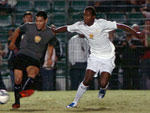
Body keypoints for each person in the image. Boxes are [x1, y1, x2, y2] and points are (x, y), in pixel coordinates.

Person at [51, 6, 141, 108]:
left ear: (94, 17)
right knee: (87, 80)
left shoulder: (102, 24)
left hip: (108, 57)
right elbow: (66, 28)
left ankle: (103, 88)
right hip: (94, 56)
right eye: (84, 15)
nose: (85, 17)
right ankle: (75, 102)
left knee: (102, 83)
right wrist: (56, 31)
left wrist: (135, 33)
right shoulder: (80, 26)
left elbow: (120, 26)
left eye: (88, 15)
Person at [9, 11, 56, 109]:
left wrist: (49, 58)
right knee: (17, 79)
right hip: (22, 55)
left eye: (41, 21)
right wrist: (12, 42)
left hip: (35, 58)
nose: (38, 23)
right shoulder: (28, 26)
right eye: (37, 21)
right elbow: (17, 30)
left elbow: (51, 45)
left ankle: (24, 92)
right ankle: (17, 102)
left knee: (33, 73)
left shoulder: (50, 33)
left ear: (46, 21)